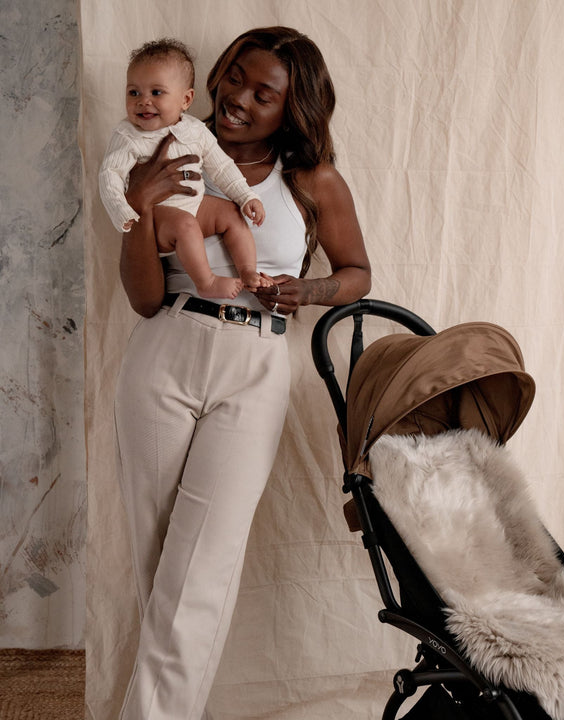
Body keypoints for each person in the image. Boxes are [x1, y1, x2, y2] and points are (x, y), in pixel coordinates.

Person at [113, 26, 371, 720]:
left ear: (294, 110)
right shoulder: (171, 150)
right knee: (157, 567)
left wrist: (306, 291)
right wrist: (140, 209)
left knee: (199, 572)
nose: (238, 101)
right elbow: (142, 298)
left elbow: (356, 273)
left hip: (255, 364)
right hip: (165, 349)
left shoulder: (311, 180)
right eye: (234, 78)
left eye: (265, 94)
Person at [99, 38, 271, 299]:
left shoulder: (195, 131)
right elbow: (109, 176)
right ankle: (207, 282)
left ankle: (248, 271)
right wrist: (123, 210)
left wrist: (246, 196)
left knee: (231, 213)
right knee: (186, 225)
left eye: (156, 92)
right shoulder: (127, 136)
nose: (143, 101)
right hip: (157, 219)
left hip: (194, 204)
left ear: (186, 99)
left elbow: (222, 166)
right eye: (134, 92)